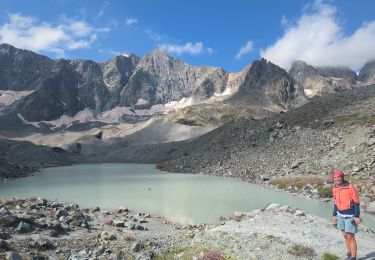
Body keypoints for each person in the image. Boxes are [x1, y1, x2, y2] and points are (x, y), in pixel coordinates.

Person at [331, 169, 362, 260]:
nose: (337, 179)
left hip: (350, 215)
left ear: (342, 177)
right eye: (335, 177)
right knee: (345, 235)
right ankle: (349, 253)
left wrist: (356, 215)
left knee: (350, 236)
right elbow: (335, 202)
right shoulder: (335, 188)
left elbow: (356, 202)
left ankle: (353, 257)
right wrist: (334, 215)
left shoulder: (350, 187)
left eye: (338, 177)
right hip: (340, 215)